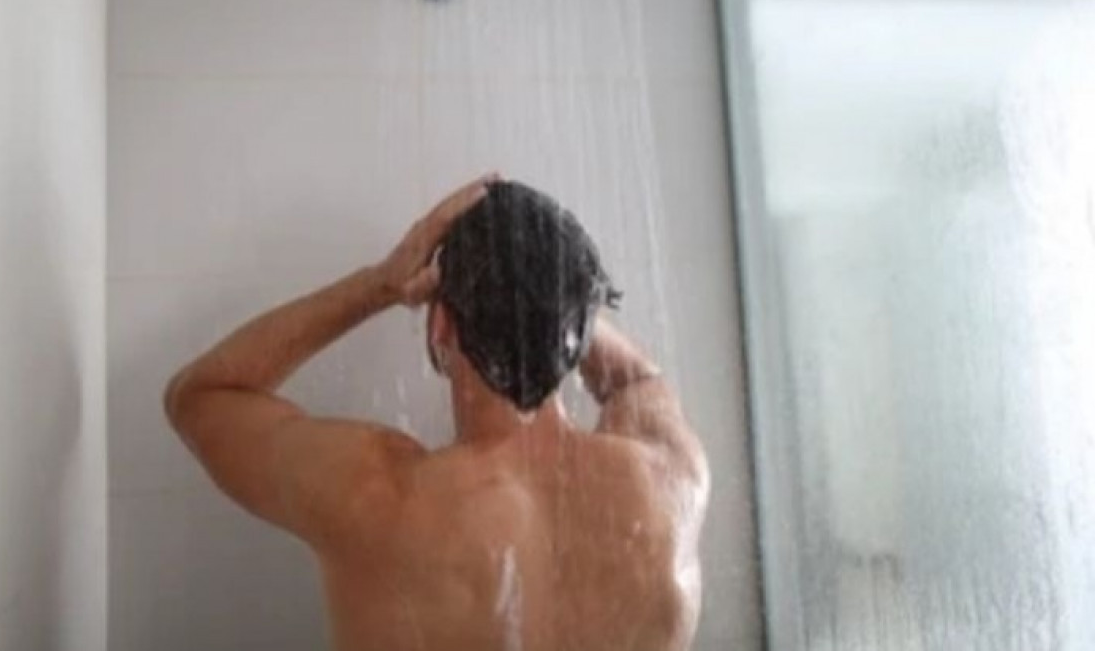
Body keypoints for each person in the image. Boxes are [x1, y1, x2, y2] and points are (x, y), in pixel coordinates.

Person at [165, 176, 709, 651]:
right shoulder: (669, 483)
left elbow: (202, 396)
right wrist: (553, 302)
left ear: (439, 324)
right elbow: (638, 379)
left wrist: (380, 285)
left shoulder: (377, 497)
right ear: (580, 328)